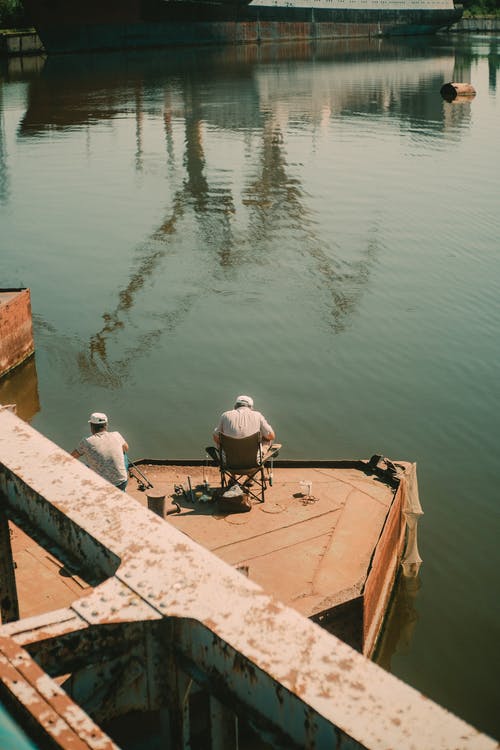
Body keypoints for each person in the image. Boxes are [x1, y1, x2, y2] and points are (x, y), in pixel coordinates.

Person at [206, 395, 277, 466]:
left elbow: (215, 437)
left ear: (235, 406)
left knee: (220, 439)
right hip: (254, 462)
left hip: (228, 462)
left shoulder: (225, 415)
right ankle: (254, 469)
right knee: (267, 439)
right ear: (251, 407)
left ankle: (233, 475)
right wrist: (261, 438)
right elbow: (271, 435)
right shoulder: (257, 415)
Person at [71, 412, 129, 491]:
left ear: (91, 426)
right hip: (122, 482)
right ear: (106, 425)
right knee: (124, 454)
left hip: (102, 485)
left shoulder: (86, 441)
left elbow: (71, 457)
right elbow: (126, 448)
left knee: (84, 465)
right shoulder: (116, 435)